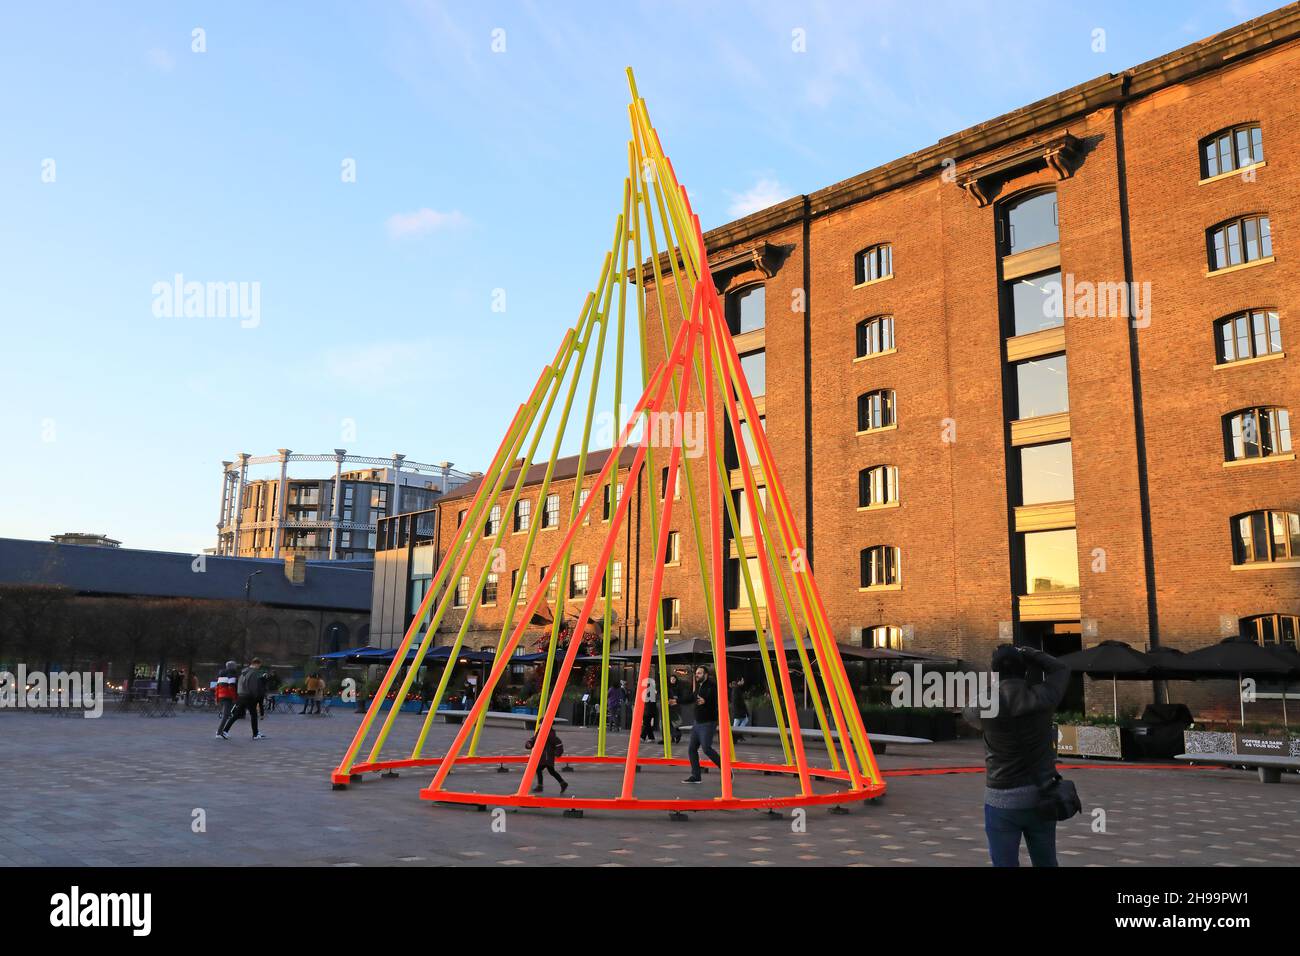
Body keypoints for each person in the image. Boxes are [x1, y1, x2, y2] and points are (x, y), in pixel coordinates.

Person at [964, 644, 1070, 868]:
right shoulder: (1043, 697)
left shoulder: (985, 705)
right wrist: (1030, 653)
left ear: (995, 673)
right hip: (1041, 794)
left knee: (1004, 863)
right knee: (1046, 861)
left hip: (1000, 797)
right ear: (1024, 671)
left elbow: (969, 714)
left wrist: (996, 685)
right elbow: (1061, 669)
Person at [682, 665, 722, 784]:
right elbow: (691, 698)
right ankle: (696, 776)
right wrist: (677, 701)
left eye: (699, 673)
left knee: (706, 748)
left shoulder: (712, 686)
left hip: (708, 722)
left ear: (706, 674)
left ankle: (725, 769)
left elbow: (715, 700)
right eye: (696, 673)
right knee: (691, 749)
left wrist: (706, 701)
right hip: (697, 723)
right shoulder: (699, 686)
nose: (697, 675)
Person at [218, 658, 268, 740]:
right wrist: (255, 696)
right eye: (259, 665)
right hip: (249, 696)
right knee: (253, 715)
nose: (259, 667)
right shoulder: (254, 672)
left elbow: (239, 683)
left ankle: (225, 731)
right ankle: (255, 734)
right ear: (256, 664)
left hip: (241, 695)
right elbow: (253, 686)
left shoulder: (244, 672)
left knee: (236, 715)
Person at [527, 721, 568, 794]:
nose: (541, 725)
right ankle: (562, 783)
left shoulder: (550, 734)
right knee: (551, 771)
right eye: (541, 723)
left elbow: (558, 744)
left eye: (542, 723)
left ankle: (540, 786)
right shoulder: (541, 731)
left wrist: (557, 753)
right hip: (543, 756)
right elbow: (534, 739)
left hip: (547, 756)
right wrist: (529, 743)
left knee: (539, 769)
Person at [214, 660, 239, 737]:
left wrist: (217, 698)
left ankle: (220, 731)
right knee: (226, 715)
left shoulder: (221, 675)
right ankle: (219, 732)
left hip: (221, 696)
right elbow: (231, 687)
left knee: (225, 714)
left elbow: (217, 688)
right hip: (228, 697)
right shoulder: (232, 674)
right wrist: (235, 698)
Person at [729, 676, 749, 743]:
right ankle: (735, 737)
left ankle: (737, 736)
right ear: (739, 682)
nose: (743, 682)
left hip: (737, 711)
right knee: (737, 724)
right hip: (738, 711)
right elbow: (737, 702)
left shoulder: (736, 689)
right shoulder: (736, 689)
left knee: (738, 723)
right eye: (742, 680)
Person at [666, 672, 683, 744]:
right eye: (671, 679)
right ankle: (673, 737)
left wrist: (675, 699)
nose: (672, 680)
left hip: (675, 706)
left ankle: (677, 734)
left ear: (676, 680)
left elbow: (680, 696)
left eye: (674, 679)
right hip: (669, 706)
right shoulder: (668, 687)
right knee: (670, 722)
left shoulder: (678, 687)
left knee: (674, 722)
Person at [640, 675, 658, 742]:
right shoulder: (652, 691)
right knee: (647, 724)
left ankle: (642, 737)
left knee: (646, 723)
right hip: (649, 710)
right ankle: (651, 737)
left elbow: (647, 702)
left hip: (647, 710)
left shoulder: (648, 691)